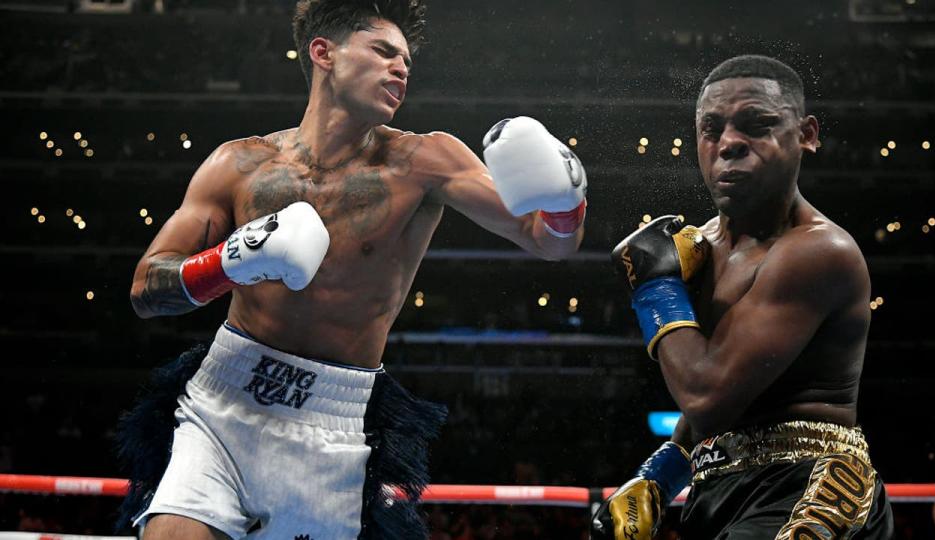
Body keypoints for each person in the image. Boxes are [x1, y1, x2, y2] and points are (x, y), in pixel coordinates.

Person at [121, 1, 587, 538]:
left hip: (333, 422)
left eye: (407, 61)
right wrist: (228, 261)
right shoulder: (238, 163)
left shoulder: (425, 161)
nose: (401, 69)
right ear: (324, 53)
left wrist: (565, 203)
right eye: (384, 51)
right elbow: (146, 287)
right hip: (223, 402)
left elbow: (548, 241)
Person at [592, 55, 893, 539]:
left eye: (757, 124)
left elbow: (708, 396)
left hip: (810, 491)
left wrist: (656, 288)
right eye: (712, 128)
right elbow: (725, 406)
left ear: (807, 134)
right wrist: (658, 478)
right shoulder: (700, 248)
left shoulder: (816, 251)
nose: (729, 143)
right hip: (718, 491)